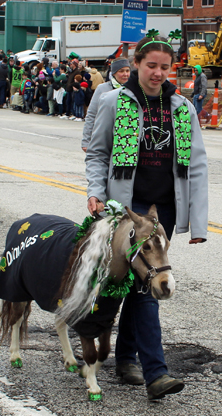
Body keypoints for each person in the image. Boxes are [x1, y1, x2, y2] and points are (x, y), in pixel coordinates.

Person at [85, 34, 208, 400]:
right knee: (137, 287)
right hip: (126, 209)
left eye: (164, 67)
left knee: (143, 286)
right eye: (150, 65)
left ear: (173, 69)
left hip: (162, 211)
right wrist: (95, 191)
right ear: (135, 64)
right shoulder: (112, 102)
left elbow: (197, 165)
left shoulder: (182, 107)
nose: (157, 73)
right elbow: (97, 153)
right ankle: (152, 370)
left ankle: (129, 361)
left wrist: (197, 223)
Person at [81, 57, 130, 152]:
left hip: (127, 139)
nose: (125, 74)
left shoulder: (133, 89)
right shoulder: (103, 89)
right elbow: (91, 115)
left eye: (127, 70)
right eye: (121, 71)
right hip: (105, 138)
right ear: (114, 73)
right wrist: (86, 141)